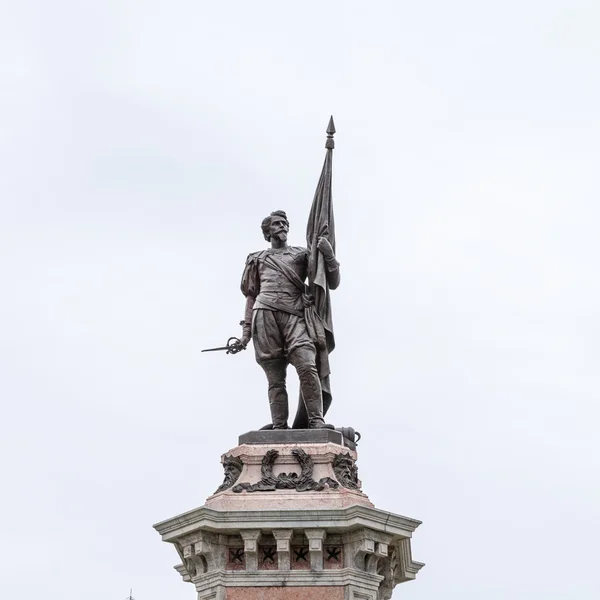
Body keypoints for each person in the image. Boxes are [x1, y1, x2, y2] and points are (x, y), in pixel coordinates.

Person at [239, 210, 340, 429]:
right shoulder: (256, 258)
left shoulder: (301, 255)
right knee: (275, 379)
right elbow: (251, 295)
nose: (283, 226)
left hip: (296, 316)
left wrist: (329, 255)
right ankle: (279, 427)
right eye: (277, 224)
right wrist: (245, 334)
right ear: (268, 232)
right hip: (264, 315)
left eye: (285, 223)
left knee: (307, 366)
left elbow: (331, 282)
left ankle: (315, 421)